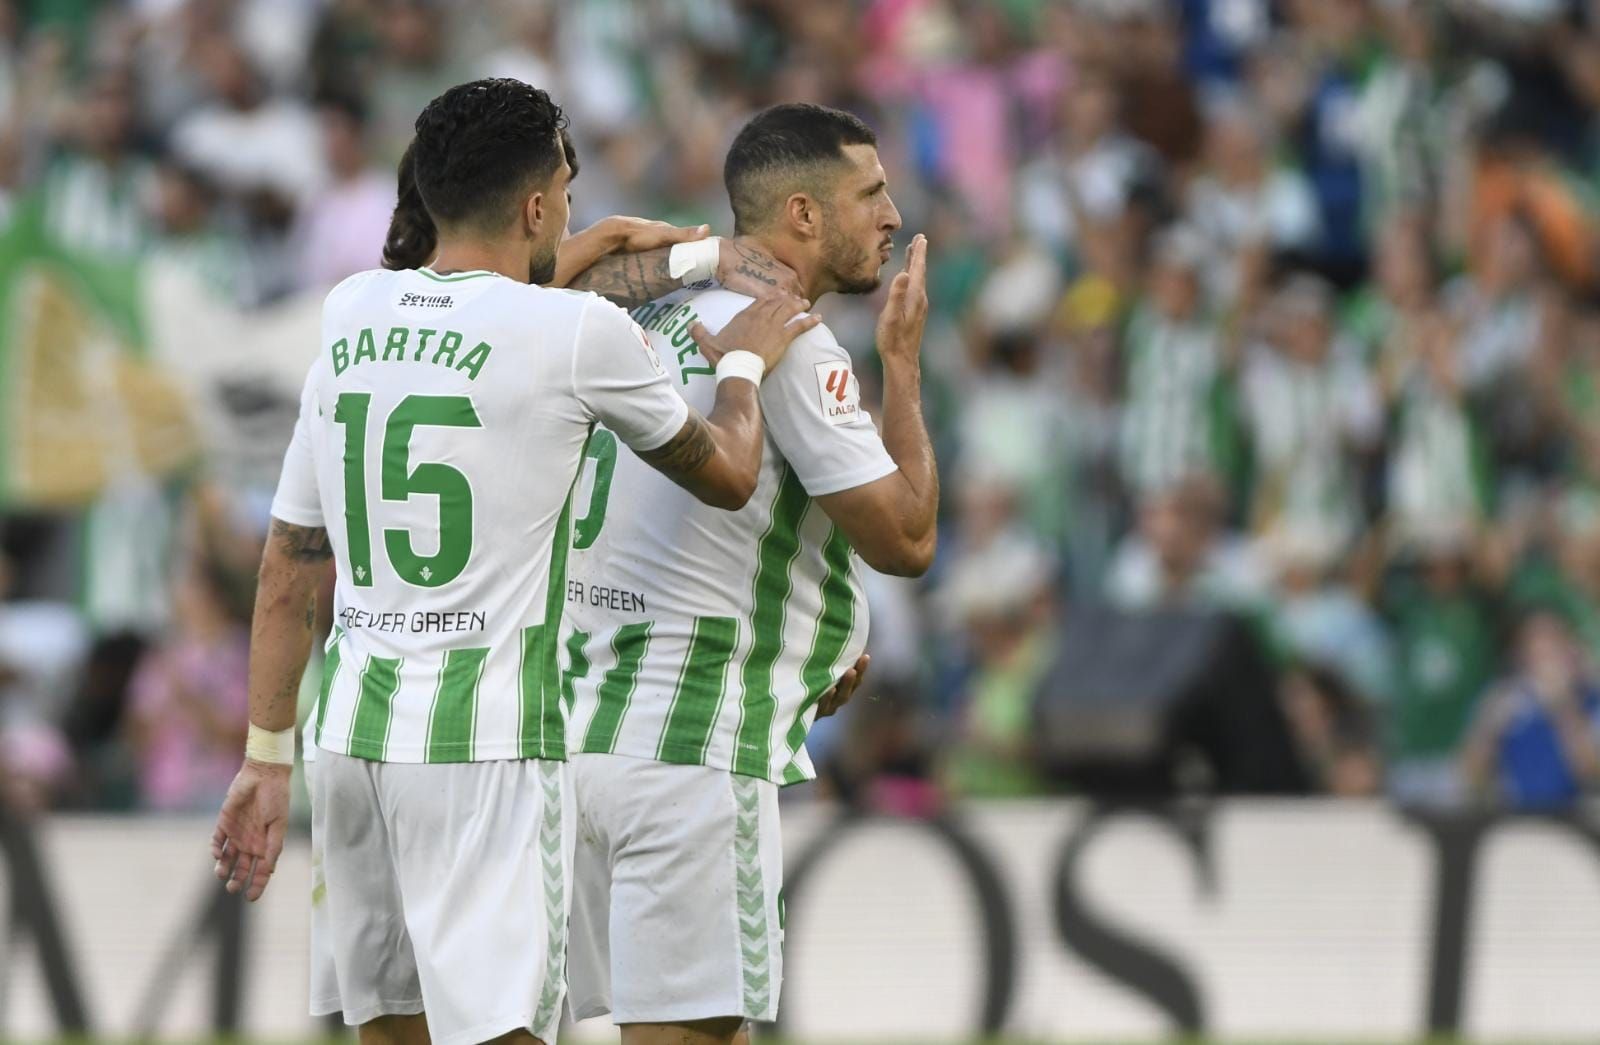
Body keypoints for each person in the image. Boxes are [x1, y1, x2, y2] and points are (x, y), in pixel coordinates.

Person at [207, 78, 818, 1045]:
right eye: (566, 197)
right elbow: (733, 475)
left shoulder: (350, 313)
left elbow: (289, 564)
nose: (572, 213)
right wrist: (741, 364)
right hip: (482, 748)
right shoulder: (576, 335)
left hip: (350, 744)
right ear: (537, 205)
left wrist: (263, 756)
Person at [560, 103, 938, 1045]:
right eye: (872, 193)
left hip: (573, 740)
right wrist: (903, 366)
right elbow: (907, 537)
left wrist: (810, 648)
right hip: (690, 749)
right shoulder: (792, 343)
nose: (892, 214)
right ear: (803, 215)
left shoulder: (635, 310)